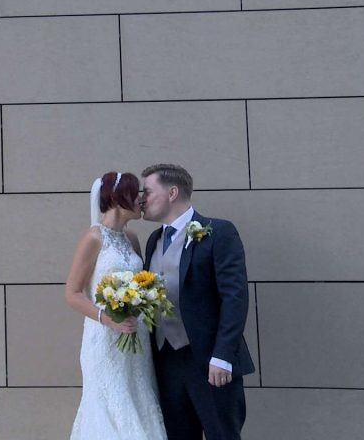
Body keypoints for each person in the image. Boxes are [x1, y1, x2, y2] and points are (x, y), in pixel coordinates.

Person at [140, 164, 254, 440]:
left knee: (222, 434)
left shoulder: (219, 232)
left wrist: (223, 356)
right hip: (166, 361)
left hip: (210, 360)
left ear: (172, 192)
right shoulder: (153, 240)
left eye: (147, 191)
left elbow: (234, 297)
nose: (142, 199)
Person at [65, 171, 167, 440]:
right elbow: (73, 292)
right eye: (136, 195)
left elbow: (142, 284)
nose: (141, 201)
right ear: (119, 199)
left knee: (139, 399)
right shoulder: (93, 239)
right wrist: (107, 318)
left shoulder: (131, 239)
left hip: (136, 335)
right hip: (104, 336)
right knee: (109, 405)